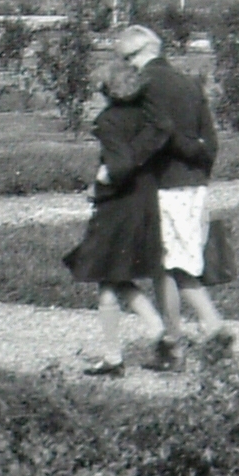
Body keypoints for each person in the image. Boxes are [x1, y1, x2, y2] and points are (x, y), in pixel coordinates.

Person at [63, 39, 174, 372]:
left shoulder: (109, 121)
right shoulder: (148, 117)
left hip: (118, 207)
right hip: (144, 202)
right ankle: (156, 330)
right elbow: (160, 134)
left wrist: (104, 178)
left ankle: (114, 357)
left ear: (106, 90)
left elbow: (120, 165)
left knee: (106, 277)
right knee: (116, 276)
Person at [119, 23, 224, 358]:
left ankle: (176, 342)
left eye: (128, 57)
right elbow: (211, 141)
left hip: (163, 183)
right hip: (194, 184)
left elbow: (154, 136)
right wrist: (199, 167)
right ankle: (209, 329)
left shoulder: (146, 85)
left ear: (143, 52)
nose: (128, 65)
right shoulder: (188, 82)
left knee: (163, 266)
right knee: (181, 263)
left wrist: (126, 169)